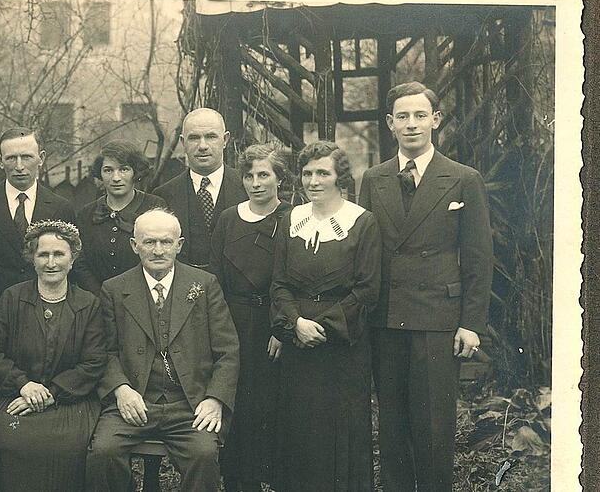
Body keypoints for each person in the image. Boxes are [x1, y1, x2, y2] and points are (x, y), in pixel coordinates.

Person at [358, 82, 493, 492]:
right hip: (387, 318)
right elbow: (365, 253)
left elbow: (478, 257)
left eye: (420, 115)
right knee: (392, 424)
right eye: (402, 116)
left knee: (434, 424)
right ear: (390, 123)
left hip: (439, 320)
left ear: (435, 119)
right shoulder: (374, 179)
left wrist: (471, 324)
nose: (411, 124)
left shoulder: (463, 178)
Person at [86, 208, 240, 492]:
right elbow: (104, 351)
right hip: (134, 401)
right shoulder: (114, 289)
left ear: (179, 245)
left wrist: (214, 399)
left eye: (166, 242)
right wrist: (120, 389)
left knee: (204, 455)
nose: (158, 250)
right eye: (149, 242)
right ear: (134, 245)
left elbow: (227, 350)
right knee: (104, 452)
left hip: (189, 404)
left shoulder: (204, 285)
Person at [269, 140, 382, 491]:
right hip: (298, 343)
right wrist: (295, 325)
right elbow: (279, 283)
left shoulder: (361, 222)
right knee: (300, 430)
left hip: (342, 346)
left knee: (341, 431)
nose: (313, 181)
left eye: (323, 173)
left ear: (340, 177)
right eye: (307, 173)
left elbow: (367, 290)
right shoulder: (291, 220)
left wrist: (323, 328)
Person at [0, 220, 107, 491]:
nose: (51, 263)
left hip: (69, 400)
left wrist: (52, 393)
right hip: (15, 395)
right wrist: (23, 384)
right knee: (4, 438)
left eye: (59, 254)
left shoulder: (88, 304)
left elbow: (93, 362)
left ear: (72, 259)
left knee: (70, 444)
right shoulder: (12, 298)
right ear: (31, 259)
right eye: (43, 254)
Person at [210, 144, 290, 492]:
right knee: (238, 402)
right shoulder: (228, 219)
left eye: (263, 175)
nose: (255, 183)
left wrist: (282, 328)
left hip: (273, 326)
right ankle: (239, 481)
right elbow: (215, 277)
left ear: (279, 178)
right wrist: (219, 330)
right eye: (249, 176)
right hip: (234, 323)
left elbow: (295, 278)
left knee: (271, 404)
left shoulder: (292, 218)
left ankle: (275, 477)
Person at [0, 127, 76, 323]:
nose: (19, 166)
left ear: (41, 158)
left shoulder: (61, 208)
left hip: (47, 313)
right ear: (0, 161)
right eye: (11, 158)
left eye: (26, 157)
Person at [154, 108, 247, 271]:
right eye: (194, 138)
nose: (202, 146)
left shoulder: (248, 188)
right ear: (183, 142)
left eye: (211, 136)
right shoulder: (164, 196)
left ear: (225, 140)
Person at [76, 139, 167, 294]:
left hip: (144, 297)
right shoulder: (87, 213)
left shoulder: (155, 207)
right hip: (97, 300)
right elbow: (80, 263)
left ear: (136, 172)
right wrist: (100, 296)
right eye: (108, 170)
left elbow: (163, 256)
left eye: (124, 169)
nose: (116, 178)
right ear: (100, 173)